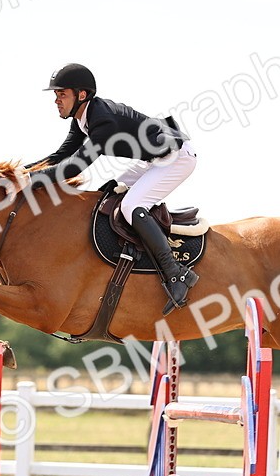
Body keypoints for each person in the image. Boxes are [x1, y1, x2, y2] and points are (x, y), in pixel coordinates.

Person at [26, 63, 199, 311]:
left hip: (175, 159)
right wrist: (18, 173)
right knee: (109, 191)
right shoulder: (83, 118)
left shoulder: (102, 120)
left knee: (131, 205)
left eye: (62, 94)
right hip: (153, 159)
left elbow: (74, 168)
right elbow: (59, 156)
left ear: (81, 95)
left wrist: (27, 181)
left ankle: (176, 273)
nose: (56, 101)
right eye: (56, 95)